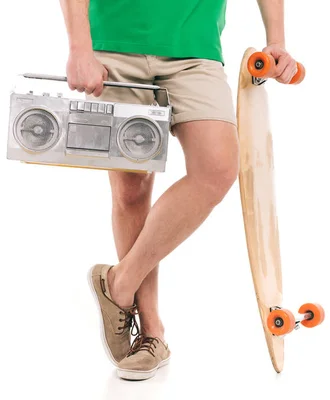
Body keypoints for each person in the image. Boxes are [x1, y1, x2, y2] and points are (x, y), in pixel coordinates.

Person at [59, 0, 299, 380]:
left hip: (195, 47)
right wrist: (79, 48)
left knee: (217, 168)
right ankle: (152, 333)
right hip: (115, 44)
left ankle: (118, 284)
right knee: (131, 189)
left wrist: (277, 40)